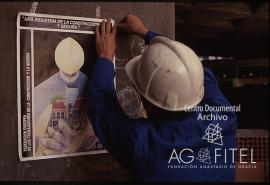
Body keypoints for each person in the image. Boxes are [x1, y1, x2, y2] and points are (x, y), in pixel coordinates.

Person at [86, 15, 237, 182]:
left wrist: (105, 58)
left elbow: (100, 106)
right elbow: (191, 69)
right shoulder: (224, 118)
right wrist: (144, 32)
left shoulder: (142, 144)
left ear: (147, 100)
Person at [35, 37, 98, 156]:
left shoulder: (92, 84)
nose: (70, 76)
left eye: (74, 73)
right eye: (66, 72)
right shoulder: (41, 90)